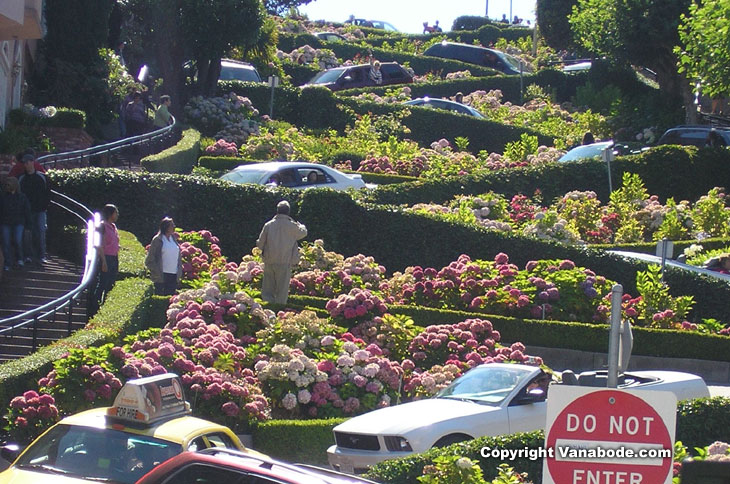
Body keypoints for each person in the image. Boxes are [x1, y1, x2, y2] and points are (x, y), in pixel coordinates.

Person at [256, 201, 307, 304]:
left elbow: (260, 244)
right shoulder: (292, 226)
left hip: (269, 261)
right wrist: (302, 226)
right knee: (282, 292)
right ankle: (279, 312)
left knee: (267, 291)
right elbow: (303, 233)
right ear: (288, 212)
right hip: (285, 262)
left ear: (277, 211)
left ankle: (268, 310)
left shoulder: (268, 225)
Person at [19, 154, 51, 264]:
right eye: (24, 163)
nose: (26, 165)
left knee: (41, 232)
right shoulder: (22, 178)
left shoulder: (42, 177)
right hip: (27, 211)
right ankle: (28, 255)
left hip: (40, 209)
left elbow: (48, 193)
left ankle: (41, 255)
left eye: (27, 162)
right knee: (27, 233)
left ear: (32, 162)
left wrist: (45, 206)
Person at [90, 204, 120, 315]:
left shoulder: (113, 226)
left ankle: (105, 306)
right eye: (115, 212)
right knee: (102, 283)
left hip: (114, 257)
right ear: (110, 213)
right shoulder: (102, 226)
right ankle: (94, 308)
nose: (117, 215)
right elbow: (100, 245)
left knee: (110, 284)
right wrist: (103, 261)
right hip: (106, 257)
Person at [144, 217, 182, 295]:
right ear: (166, 227)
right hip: (162, 275)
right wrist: (156, 272)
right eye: (172, 225)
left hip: (173, 275)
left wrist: (179, 271)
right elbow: (150, 259)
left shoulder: (173, 239)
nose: (174, 227)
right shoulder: (158, 240)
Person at [1, 177, 31, 271]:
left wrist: (28, 224)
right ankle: (7, 263)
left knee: (18, 240)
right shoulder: (3, 197)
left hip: (18, 222)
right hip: (6, 222)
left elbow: (26, 211)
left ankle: (20, 258)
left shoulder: (22, 197)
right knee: (6, 243)